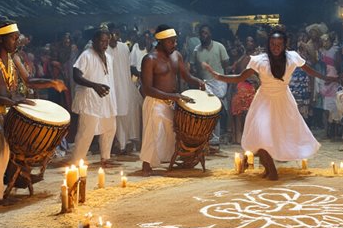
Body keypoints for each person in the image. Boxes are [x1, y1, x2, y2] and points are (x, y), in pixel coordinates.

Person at [204, 26, 333, 180]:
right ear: (268, 44)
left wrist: (326, 78)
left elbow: (310, 70)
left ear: (285, 44)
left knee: (277, 136)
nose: (276, 48)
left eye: (279, 45)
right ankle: (272, 171)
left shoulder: (292, 57)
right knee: (260, 134)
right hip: (263, 101)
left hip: (283, 101)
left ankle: (269, 169)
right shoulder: (260, 60)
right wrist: (217, 76)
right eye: (272, 44)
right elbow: (239, 77)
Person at [0, 20, 65, 204]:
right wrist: (6, 100)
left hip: (1, 112)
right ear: (0, 39)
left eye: (17, 38)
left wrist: (51, 83)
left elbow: (28, 81)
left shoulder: (13, 59)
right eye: (13, 38)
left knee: (5, 153)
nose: (17, 41)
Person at [139, 25, 206, 175]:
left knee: (172, 133)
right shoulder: (150, 59)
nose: (174, 44)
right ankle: (146, 165)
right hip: (154, 101)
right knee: (152, 132)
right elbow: (147, 88)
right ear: (161, 41)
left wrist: (198, 81)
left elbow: (186, 76)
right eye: (171, 41)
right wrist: (173, 96)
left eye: (175, 41)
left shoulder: (177, 55)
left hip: (171, 101)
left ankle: (169, 159)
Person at [68, 28, 118, 168]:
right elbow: (76, 76)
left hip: (106, 99)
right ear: (94, 41)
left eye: (107, 41)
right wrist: (94, 85)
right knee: (86, 132)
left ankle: (105, 158)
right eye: (102, 41)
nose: (105, 44)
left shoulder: (108, 57)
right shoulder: (86, 55)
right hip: (90, 100)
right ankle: (77, 162)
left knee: (110, 128)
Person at [191, 24, 230, 148]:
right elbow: (194, 67)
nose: (203, 35)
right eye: (201, 33)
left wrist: (226, 83)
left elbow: (226, 66)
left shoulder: (220, 47)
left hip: (218, 82)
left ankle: (215, 138)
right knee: (206, 111)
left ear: (210, 34)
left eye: (206, 33)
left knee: (215, 110)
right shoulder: (196, 50)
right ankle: (208, 138)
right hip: (204, 83)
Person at [108, 25, 142, 154]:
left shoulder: (123, 48)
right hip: (110, 87)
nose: (114, 37)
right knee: (113, 116)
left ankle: (124, 142)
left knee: (125, 114)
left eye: (117, 34)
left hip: (124, 86)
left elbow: (127, 68)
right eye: (112, 34)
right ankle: (115, 143)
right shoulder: (104, 49)